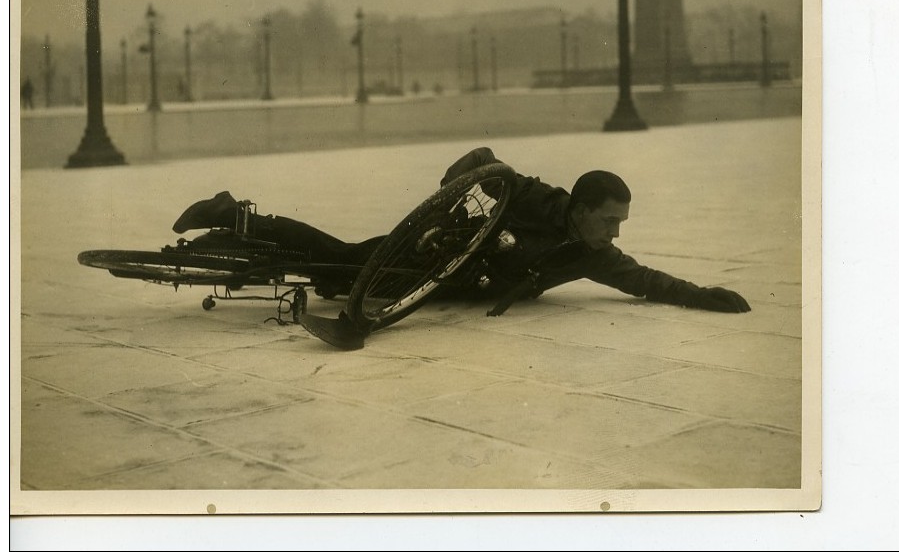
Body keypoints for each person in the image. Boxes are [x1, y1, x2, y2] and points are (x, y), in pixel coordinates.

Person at [172, 147, 750, 315]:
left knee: (326, 273)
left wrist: (704, 296)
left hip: (447, 288)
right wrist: (453, 213)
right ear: (579, 207)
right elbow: (481, 161)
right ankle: (236, 214)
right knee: (343, 256)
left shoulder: (588, 253)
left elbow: (645, 279)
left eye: (619, 226)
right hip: (432, 252)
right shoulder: (528, 194)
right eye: (609, 221)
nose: (614, 236)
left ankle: (249, 252)